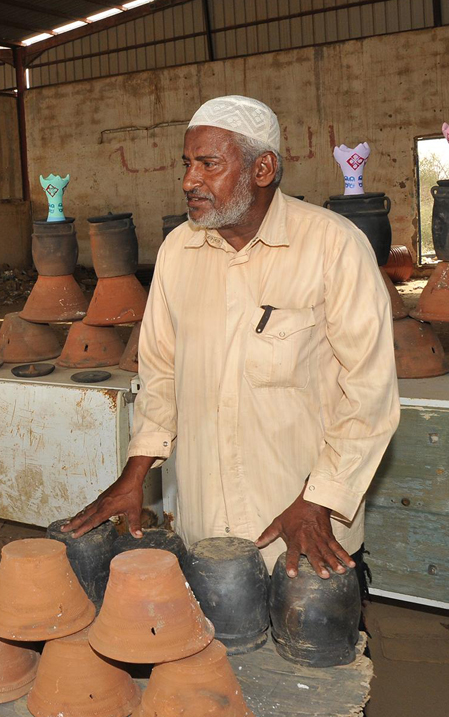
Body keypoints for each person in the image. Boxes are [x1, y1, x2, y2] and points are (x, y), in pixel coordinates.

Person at [64, 95, 399, 583]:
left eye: (208, 164)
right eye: (186, 164)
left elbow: (371, 394)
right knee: (217, 655)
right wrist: (135, 475)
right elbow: (162, 373)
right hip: (208, 533)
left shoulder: (333, 246)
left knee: (314, 650)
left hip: (304, 529)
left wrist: (319, 499)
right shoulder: (179, 251)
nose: (188, 181)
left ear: (262, 168)